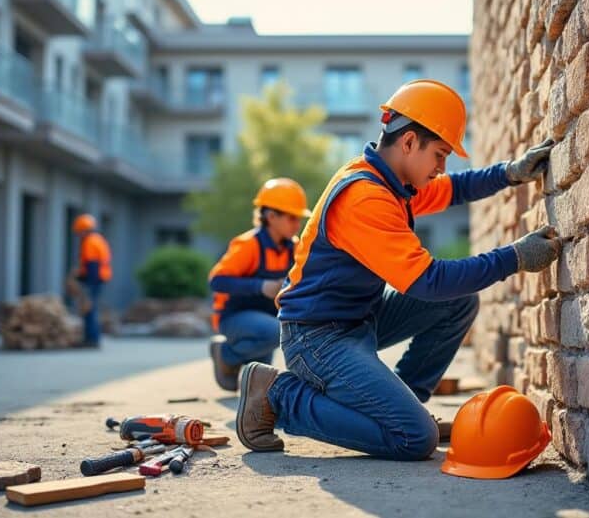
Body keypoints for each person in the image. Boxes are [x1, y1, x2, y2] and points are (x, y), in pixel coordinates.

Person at [234, 79, 562, 459]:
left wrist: (509, 172)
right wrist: (514, 258)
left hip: (357, 322)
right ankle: (277, 394)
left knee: (460, 301)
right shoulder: (364, 198)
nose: (441, 167)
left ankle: (402, 405)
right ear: (408, 142)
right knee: (413, 439)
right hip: (317, 339)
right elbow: (428, 281)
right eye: (439, 154)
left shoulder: (390, 181)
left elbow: (454, 189)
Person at [208, 178, 310, 391]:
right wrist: (260, 286)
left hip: (267, 320)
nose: (297, 225)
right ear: (271, 216)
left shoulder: (294, 247)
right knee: (277, 332)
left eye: (298, 219)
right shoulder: (248, 245)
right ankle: (226, 354)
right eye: (292, 218)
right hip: (234, 317)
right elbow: (217, 281)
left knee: (259, 379)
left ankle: (238, 361)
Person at [72, 214, 111, 347]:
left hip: (94, 280)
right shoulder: (98, 239)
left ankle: (92, 339)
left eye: (79, 232)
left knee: (89, 308)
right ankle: (92, 338)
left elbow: (92, 265)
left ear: (84, 230)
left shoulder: (90, 242)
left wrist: (88, 284)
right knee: (90, 308)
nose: (79, 235)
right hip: (98, 279)